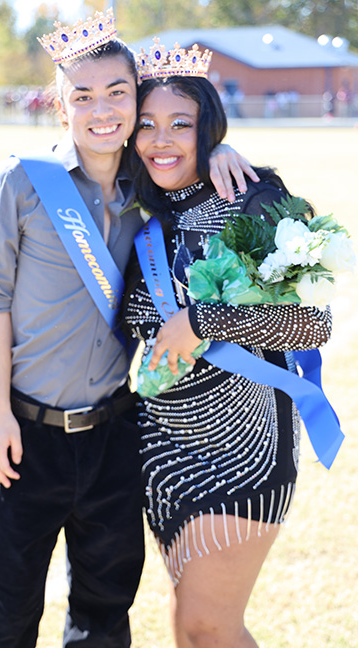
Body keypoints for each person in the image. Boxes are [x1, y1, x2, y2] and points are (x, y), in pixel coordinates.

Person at [0, 10, 255, 648]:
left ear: (136, 98)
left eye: (118, 93)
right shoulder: (22, 181)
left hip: (114, 435)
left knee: (103, 613)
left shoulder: (148, 183)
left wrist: (221, 147)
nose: (103, 110)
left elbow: (190, 153)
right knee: (4, 615)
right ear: (60, 105)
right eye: (83, 96)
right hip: (26, 435)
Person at [119, 41, 333, 647]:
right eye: (148, 125)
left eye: (181, 124)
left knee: (207, 625)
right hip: (160, 444)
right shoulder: (138, 207)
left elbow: (310, 324)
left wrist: (201, 320)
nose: (162, 140)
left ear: (208, 128)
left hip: (243, 449)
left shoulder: (252, 199)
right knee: (189, 624)